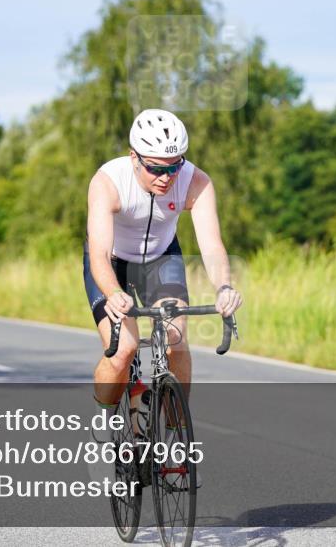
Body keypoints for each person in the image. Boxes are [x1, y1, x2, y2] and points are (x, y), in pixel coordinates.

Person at [84, 109, 243, 453]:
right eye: (156, 168)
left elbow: (212, 245)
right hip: (113, 262)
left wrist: (224, 287)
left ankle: (175, 441)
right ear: (134, 157)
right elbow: (99, 254)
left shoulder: (196, 181)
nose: (166, 177)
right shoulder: (108, 182)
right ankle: (101, 430)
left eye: (174, 166)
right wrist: (113, 293)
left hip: (161, 258)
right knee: (123, 350)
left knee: (176, 339)